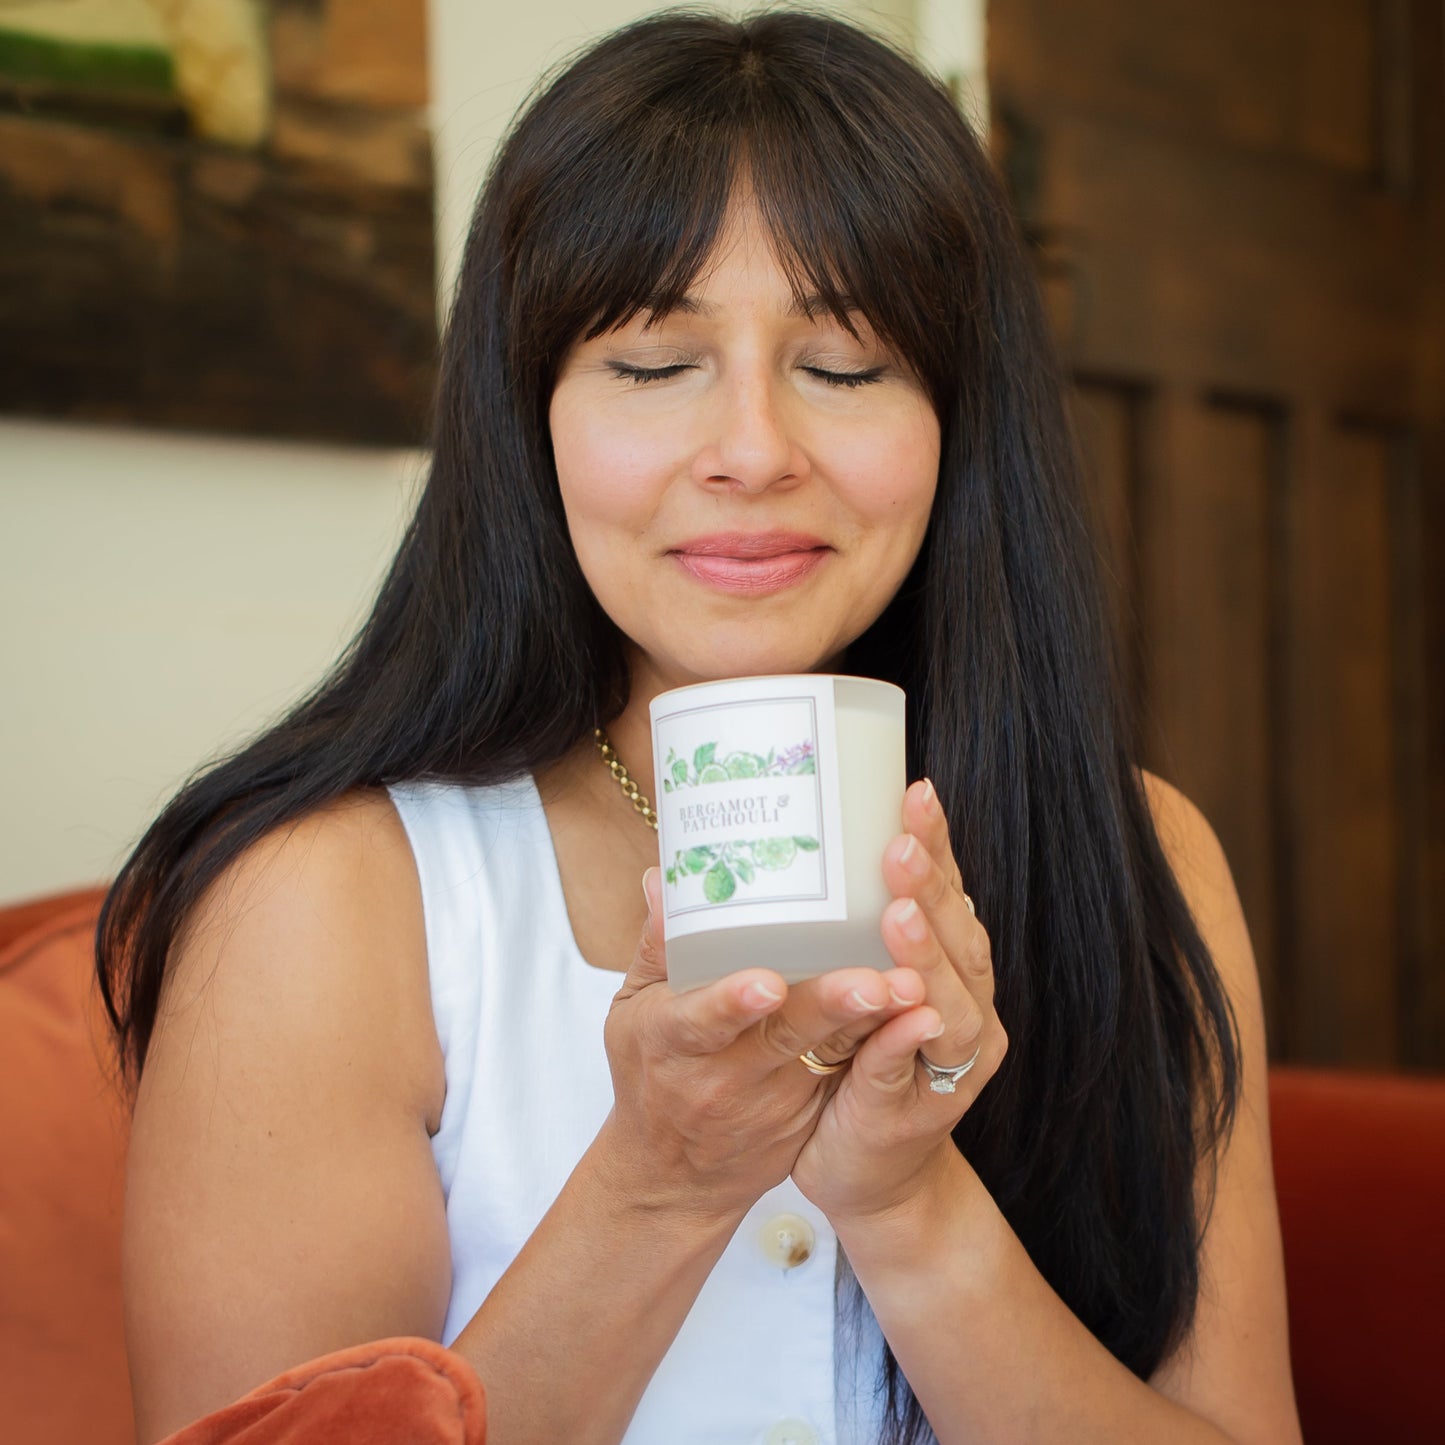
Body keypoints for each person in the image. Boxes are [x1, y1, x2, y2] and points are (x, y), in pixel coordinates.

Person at [98, 10, 1302, 1444]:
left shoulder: (1133, 846)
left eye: (845, 365)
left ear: (959, 417)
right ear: (525, 415)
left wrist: (910, 1208)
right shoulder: (323, 900)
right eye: (653, 364)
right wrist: (659, 1180)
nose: (750, 450)